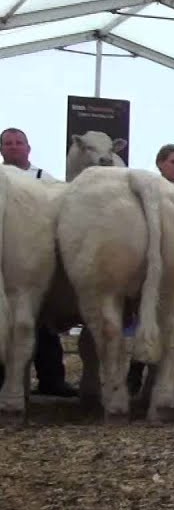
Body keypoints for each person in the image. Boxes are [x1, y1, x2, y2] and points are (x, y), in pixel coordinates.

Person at [0, 128, 77, 397]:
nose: (13, 147)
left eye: (18, 142)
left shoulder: (45, 180)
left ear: (28, 148)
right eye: (8, 143)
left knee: (42, 323)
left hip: (33, 256)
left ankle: (51, 379)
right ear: (1, 149)